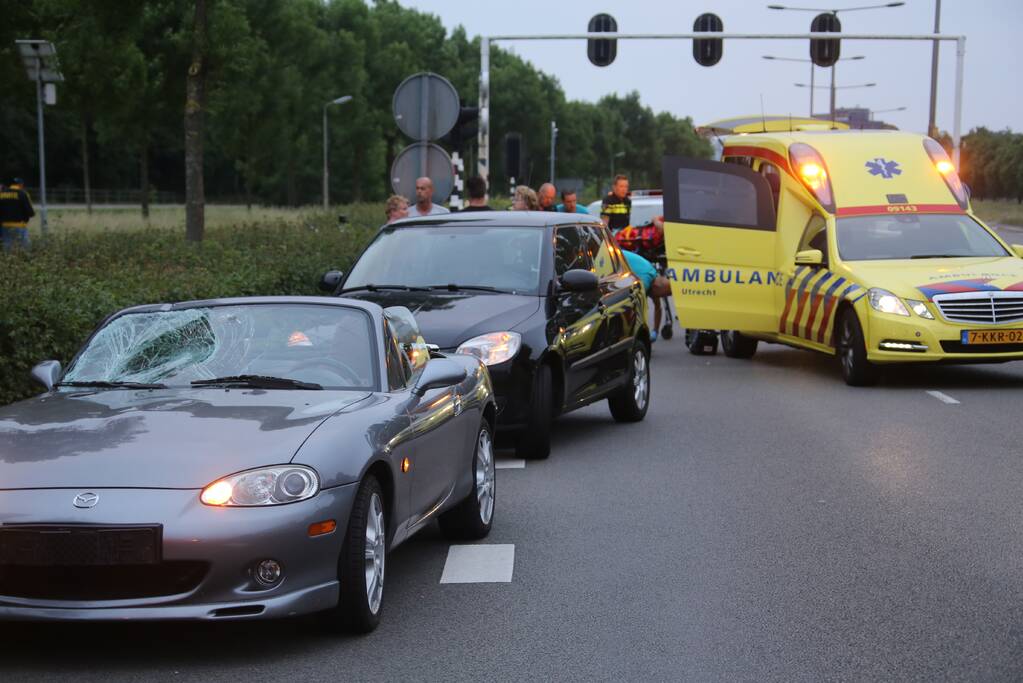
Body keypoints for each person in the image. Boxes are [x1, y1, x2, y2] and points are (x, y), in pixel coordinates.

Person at [620, 248, 671, 342]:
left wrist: (655, 331)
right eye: (659, 295)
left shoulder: (652, 273)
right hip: (615, 256)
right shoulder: (645, 282)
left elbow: (658, 307)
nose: (657, 297)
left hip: (618, 253)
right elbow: (637, 309)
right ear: (657, 287)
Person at [0, 178, 35, 252]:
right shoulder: (23, 193)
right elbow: (30, 212)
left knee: (7, 245)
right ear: (21, 184)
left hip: (5, 225)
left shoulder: (2, 194)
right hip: (19, 225)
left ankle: (8, 261)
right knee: (25, 246)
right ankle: (25, 260)